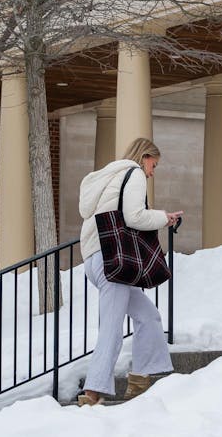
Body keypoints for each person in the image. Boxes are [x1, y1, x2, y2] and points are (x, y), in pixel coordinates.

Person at [76, 137, 183, 406]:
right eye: (154, 165)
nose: (152, 171)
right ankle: (93, 391)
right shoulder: (133, 174)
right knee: (111, 327)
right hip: (112, 259)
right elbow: (134, 216)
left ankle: (140, 379)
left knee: (149, 317)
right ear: (144, 157)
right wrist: (164, 217)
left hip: (96, 258)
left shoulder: (108, 177)